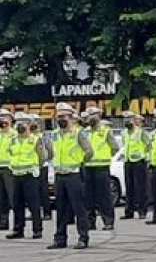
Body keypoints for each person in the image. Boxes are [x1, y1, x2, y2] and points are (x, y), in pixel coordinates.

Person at [47, 102, 93, 250]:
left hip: (73, 174)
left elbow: (89, 152)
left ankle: (83, 237)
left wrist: (79, 163)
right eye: (58, 116)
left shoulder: (79, 133)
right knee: (60, 208)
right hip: (59, 175)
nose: (60, 119)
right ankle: (60, 238)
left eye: (63, 116)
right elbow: (51, 153)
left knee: (79, 207)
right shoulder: (54, 134)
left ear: (71, 117)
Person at [6, 112, 45, 239]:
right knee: (17, 204)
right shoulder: (13, 140)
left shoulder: (35, 140)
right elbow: (10, 153)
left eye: (23, 122)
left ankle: (37, 230)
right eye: (18, 122)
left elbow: (42, 157)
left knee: (33, 203)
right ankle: (18, 229)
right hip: (16, 175)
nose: (19, 125)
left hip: (30, 175)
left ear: (29, 125)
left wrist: (36, 168)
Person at [84, 107, 118, 231]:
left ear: (99, 116)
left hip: (102, 168)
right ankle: (90, 222)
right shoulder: (85, 132)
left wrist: (106, 157)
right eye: (89, 115)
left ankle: (108, 221)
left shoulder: (106, 131)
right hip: (87, 167)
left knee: (104, 196)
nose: (91, 118)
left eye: (94, 115)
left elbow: (114, 147)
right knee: (88, 197)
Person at [121, 111, 150, 220]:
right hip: (128, 161)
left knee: (140, 188)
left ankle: (142, 211)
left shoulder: (141, 132)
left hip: (139, 162)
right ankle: (129, 211)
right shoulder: (124, 133)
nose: (126, 121)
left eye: (129, 119)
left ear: (134, 120)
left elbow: (149, 145)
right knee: (129, 187)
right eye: (125, 119)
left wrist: (144, 156)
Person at [30, 114, 53, 220]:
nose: (34, 125)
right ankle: (35, 212)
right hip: (32, 166)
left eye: (36, 123)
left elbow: (50, 150)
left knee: (43, 190)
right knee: (33, 192)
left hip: (42, 166)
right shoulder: (28, 136)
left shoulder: (43, 137)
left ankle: (47, 213)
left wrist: (45, 161)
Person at [0, 108, 17, 231]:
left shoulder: (15, 134)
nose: (2, 120)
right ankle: (3, 221)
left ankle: (18, 224)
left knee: (13, 197)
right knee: (1, 197)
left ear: (11, 119)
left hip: (10, 168)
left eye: (5, 117)